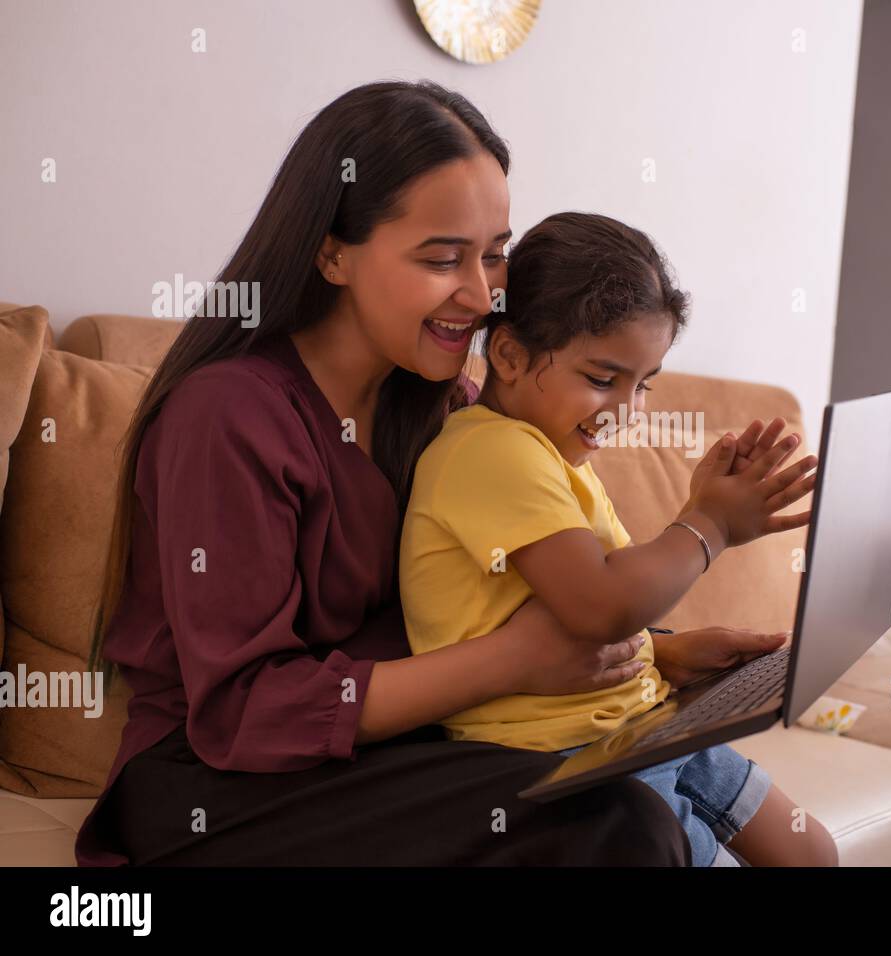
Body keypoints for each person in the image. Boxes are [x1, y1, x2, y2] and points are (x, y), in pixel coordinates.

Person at [75, 80, 791, 866]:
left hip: (384, 752)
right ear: (332, 252)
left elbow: (499, 595)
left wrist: (653, 651)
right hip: (214, 785)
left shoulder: (449, 406)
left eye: (493, 256)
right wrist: (516, 660)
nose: (484, 295)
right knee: (619, 823)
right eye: (442, 257)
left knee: (624, 778)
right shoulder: (227, 417)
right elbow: (246, 712)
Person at [399, 212, 838, 867]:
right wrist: (709, 525)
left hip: (641, 724)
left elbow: (605, 608)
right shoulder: (488, 452)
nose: (624, 411)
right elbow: (601, 604)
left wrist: (670, 650)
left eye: (644, 384)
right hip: (565, 753)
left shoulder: (555, 457)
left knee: (812, 852)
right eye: (603, 380)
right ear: (510, 355)